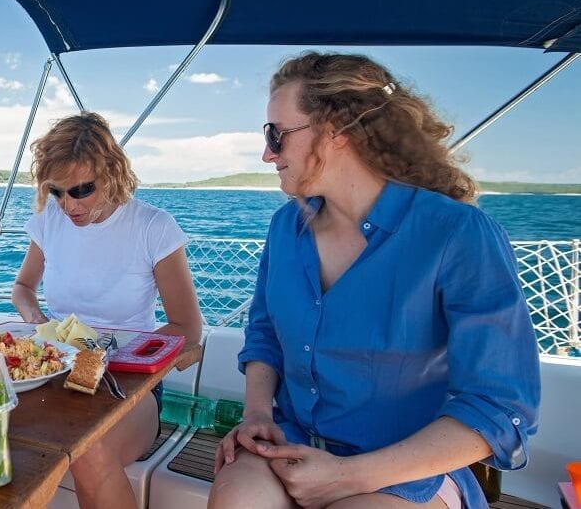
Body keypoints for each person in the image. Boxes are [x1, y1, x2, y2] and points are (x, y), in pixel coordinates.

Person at [208, 52, 540, 509]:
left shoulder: (457, 234)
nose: (267, 154)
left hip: (404, 469)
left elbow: (499, 408)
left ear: (337, 130)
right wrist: (258, 414)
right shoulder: (287, 228)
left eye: (277, 135)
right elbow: (264, 332)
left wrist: (347, 476)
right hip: (293, 441)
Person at [11, 112, 203, 509]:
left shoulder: (153, 227)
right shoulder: (50, 222)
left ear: (112, 173)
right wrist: (40, 323)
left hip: (128, 387)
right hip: (57, 374)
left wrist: (113, 358)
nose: (68, 205)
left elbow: (188, 327)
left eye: (81, 190)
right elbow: (23, 288)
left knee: (90, 451)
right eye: (57, 191)